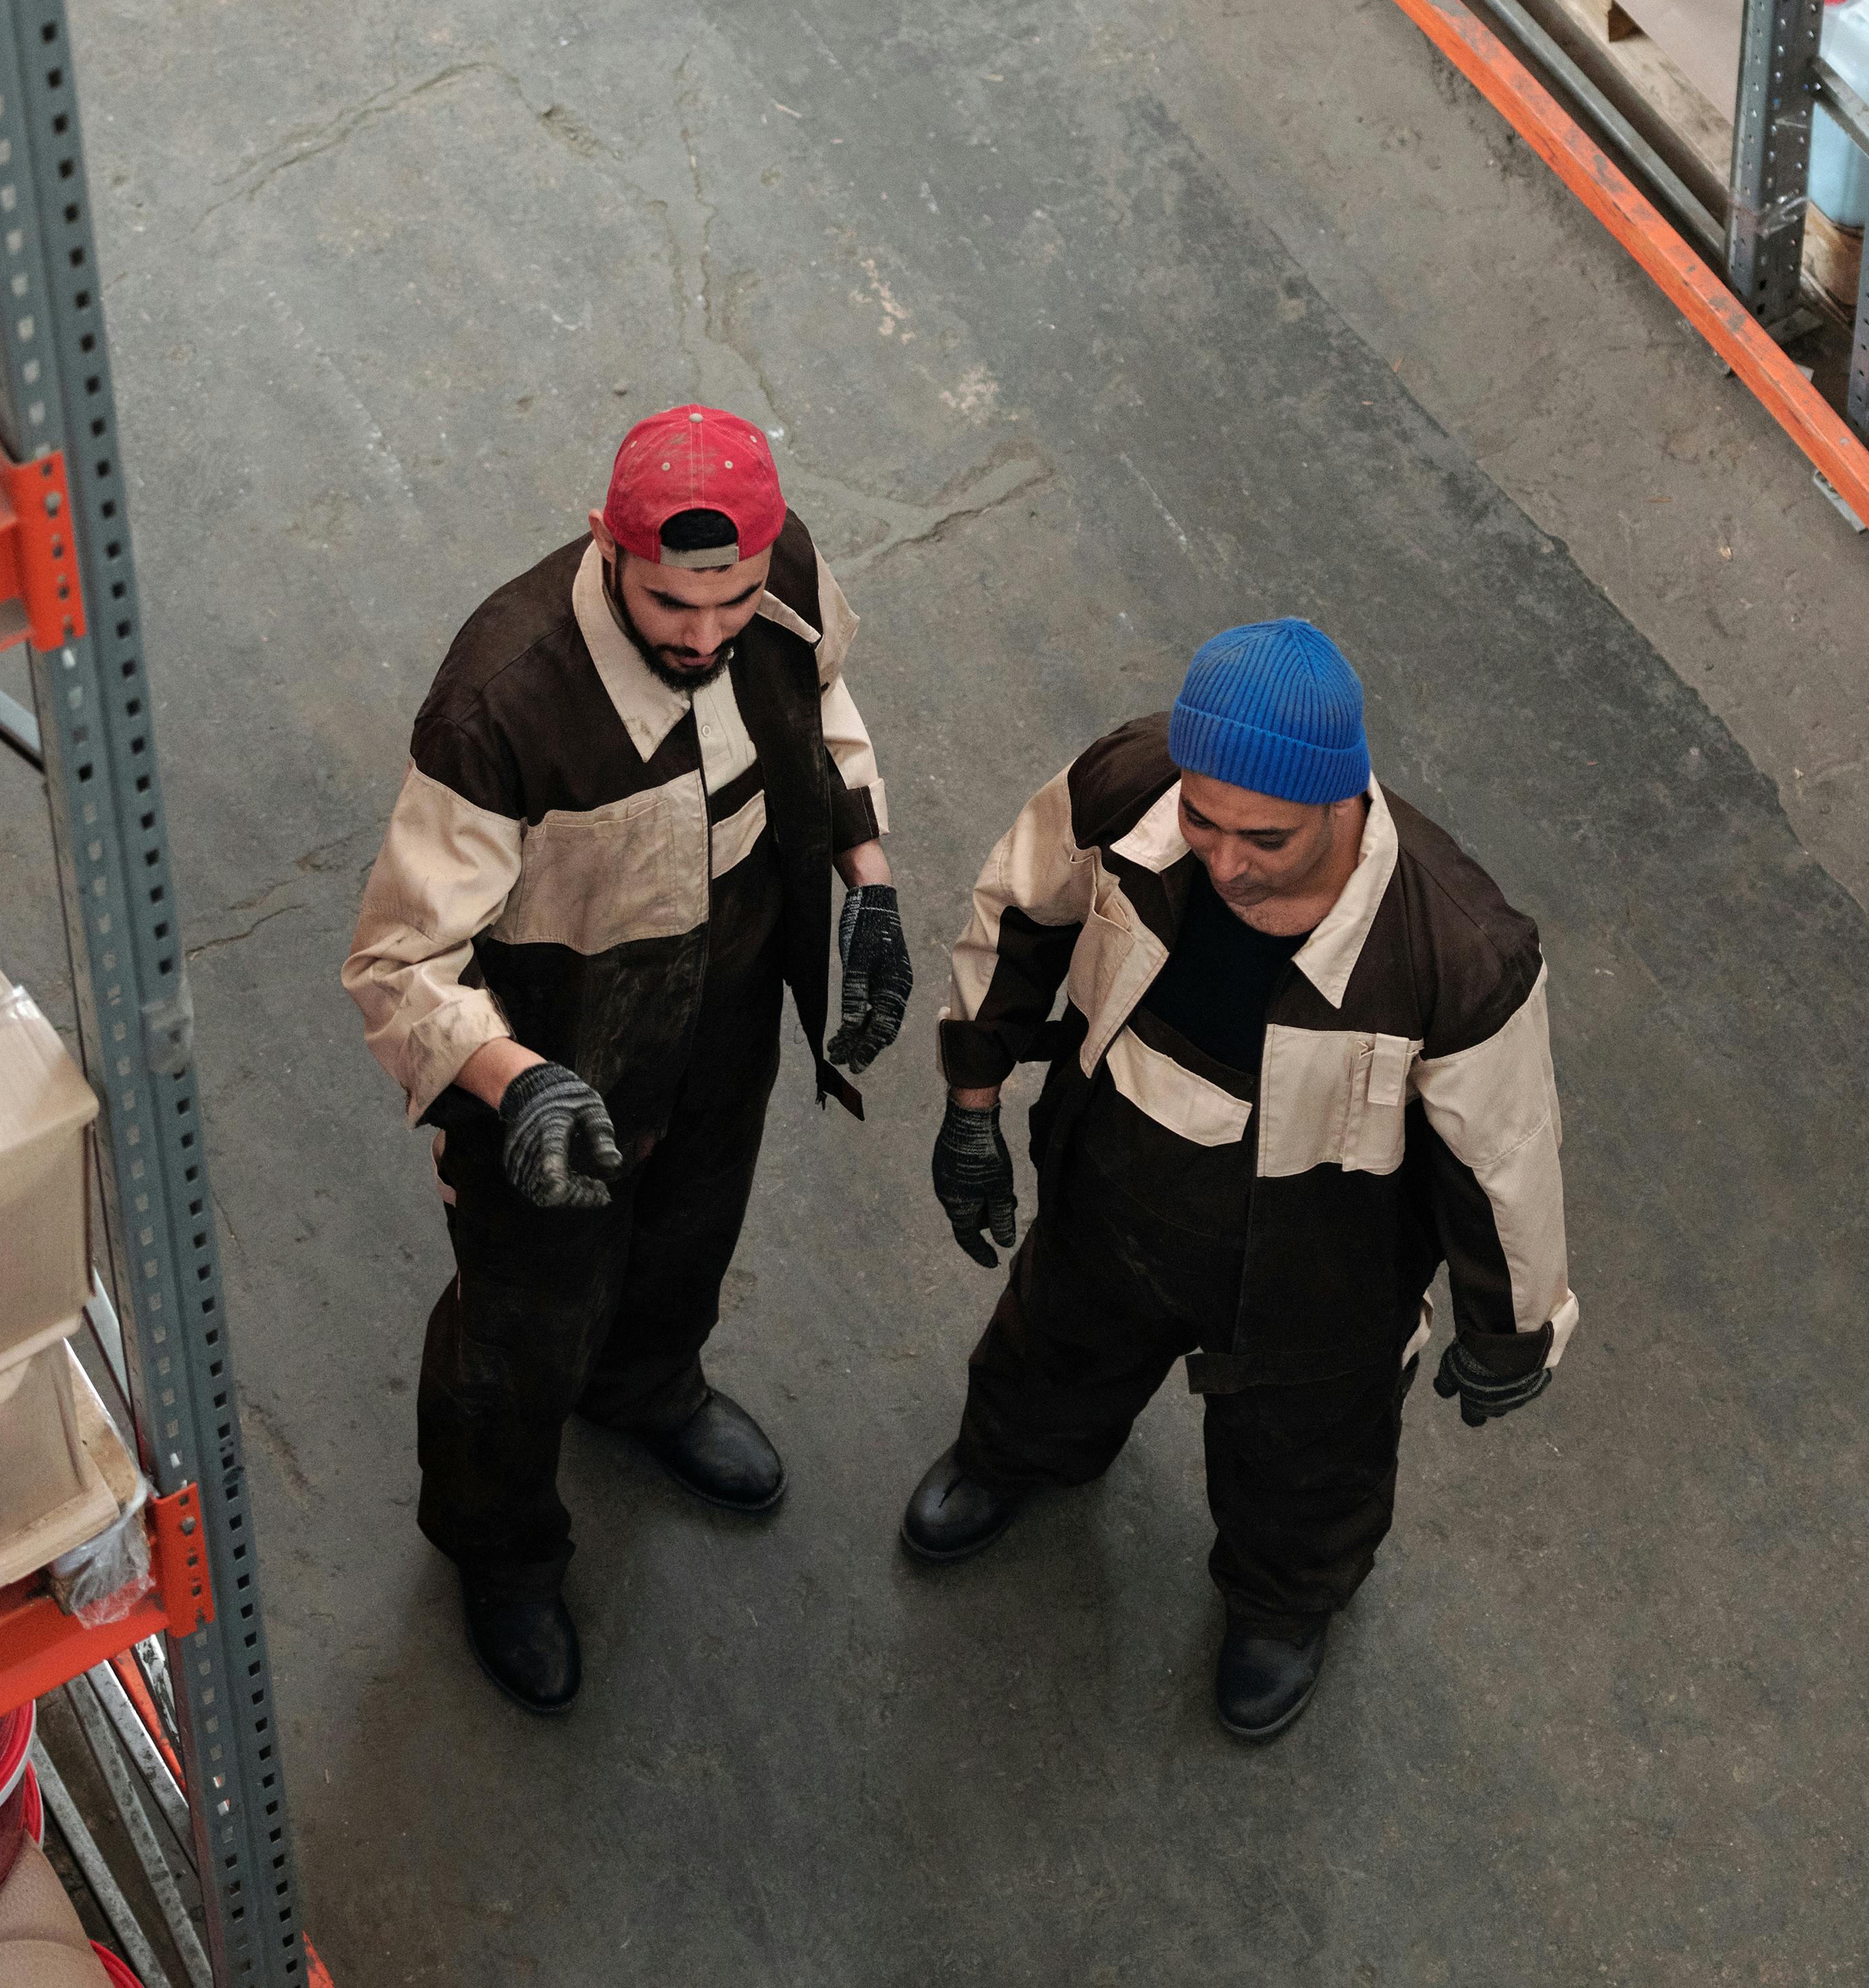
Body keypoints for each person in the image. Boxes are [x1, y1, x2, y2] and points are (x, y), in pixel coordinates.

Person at [900, 617, 1575, 1744]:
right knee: (1051, 1345)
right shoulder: (1130, 787)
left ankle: (1280, 1604)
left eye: (1261, 837)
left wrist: (1513, 1328)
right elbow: (1018, 912)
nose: (1219, 862)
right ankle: (1012, 1457)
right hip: (1112, 1188)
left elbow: (1501, 1155)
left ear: (1343, 799)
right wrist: (972, 1098)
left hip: (1320, 1266)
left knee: (1305, 1458)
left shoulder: (1457, 952)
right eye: (1200, 822)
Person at [344, 404, 911, 1715]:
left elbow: (822, 713)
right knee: (518, 1333)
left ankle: (646, 1383)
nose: (707, 637)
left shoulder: (789, 582)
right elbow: (396, 962)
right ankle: (500, 1550)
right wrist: (516, 1080)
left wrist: (864, 877)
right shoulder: (503, 702)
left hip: (725, 1006)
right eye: (671, 604)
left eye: (735, 600)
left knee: (685, 1236)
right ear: (606, 543)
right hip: (551, 1060)